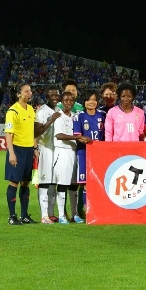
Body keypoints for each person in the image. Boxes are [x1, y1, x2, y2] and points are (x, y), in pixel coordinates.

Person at [4, 83, 58, 225]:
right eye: (26, 91)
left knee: (26, 183)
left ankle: (24, 216)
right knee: (14, 182)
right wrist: (11, 154)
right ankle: (12, 216)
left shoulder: (30, 110)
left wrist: (35, 149)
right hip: (17, 149)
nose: (30, 93)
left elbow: (33, 132)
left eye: (30, 91)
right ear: (18, 94)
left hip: (29, 150)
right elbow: (8, 134)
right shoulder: (12, 111)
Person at [53, 91, 91, 224]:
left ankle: (75, 214)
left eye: (71, 100)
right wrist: (78, 137)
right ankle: (62, 215)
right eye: (66, 100)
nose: (68, 102)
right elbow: (59, 135)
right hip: (63, 152)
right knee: (62, 184)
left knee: (74, 184)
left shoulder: (75, 116)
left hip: (75, 152)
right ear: (62, 101)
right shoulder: (58, 116)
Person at [73, 89, 106, 220]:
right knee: (85, 182)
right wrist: (84, 140)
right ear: (84, 102)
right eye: (89, 100)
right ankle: (87, 210)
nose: (91, 102)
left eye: (94, 100)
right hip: (84, 152)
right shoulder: (79, 116)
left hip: (100, 153)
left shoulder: (103, 115)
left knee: (100, 181)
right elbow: (77, 136)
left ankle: (100, 208)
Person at [35, 85, 63, 223]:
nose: (54, 97)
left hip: (58, 150)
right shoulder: (41, 111)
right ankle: (44, 215)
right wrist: (51, 120)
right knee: (44, 182)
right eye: (52, 95)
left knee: (53, 183)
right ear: (47, 96)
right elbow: (36, 132)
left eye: (57, 95)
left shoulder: (60, 109)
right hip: (45, 149)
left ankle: (51, 214)